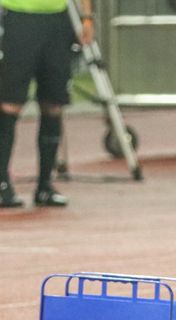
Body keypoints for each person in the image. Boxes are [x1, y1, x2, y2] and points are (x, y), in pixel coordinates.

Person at [0, 0, 94, 208]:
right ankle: (2, 183)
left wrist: (87, 17)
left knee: (53, 104)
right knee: (10, 103)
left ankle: (45, 185)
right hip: (17, 16)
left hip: (57, 21)